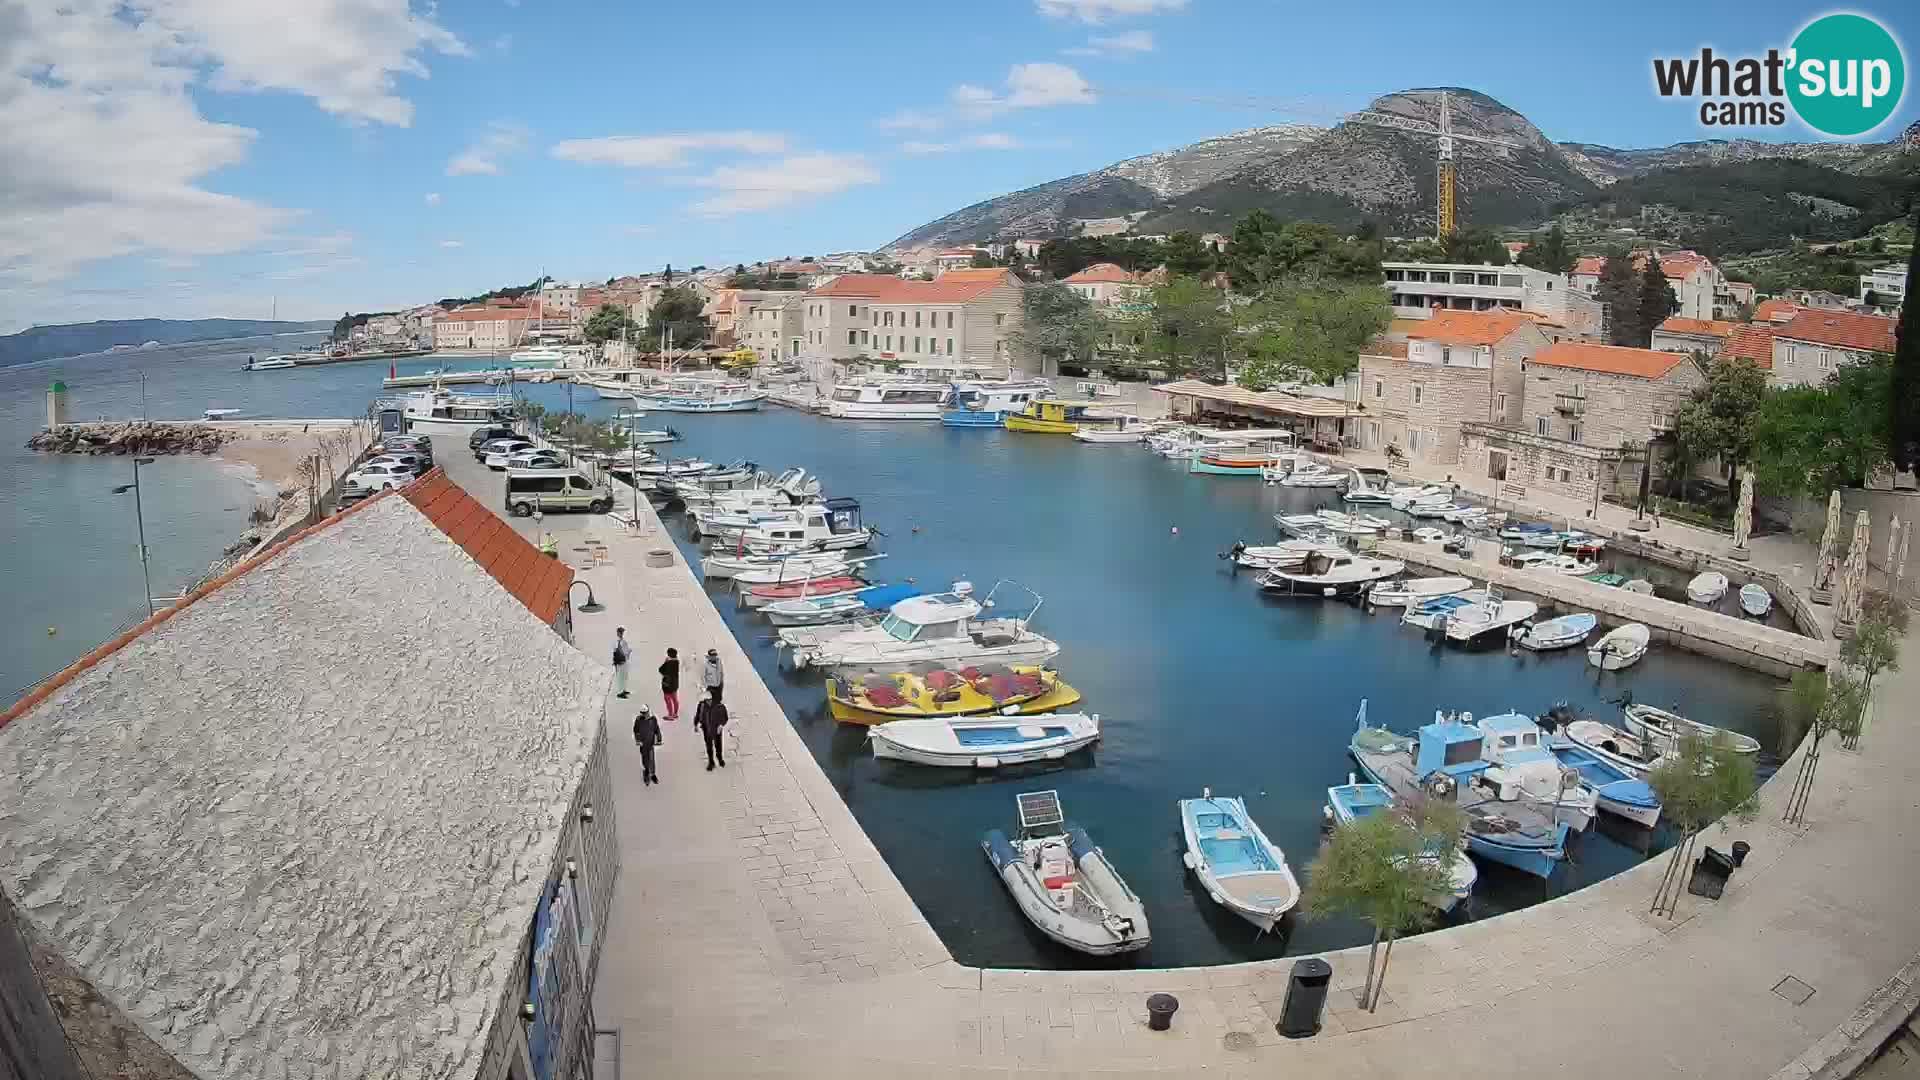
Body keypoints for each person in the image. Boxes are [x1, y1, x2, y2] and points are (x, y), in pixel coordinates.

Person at [693, 687, 728, 770]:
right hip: (706, 729)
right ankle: (711, 761)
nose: (708, 702)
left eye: (709, 700)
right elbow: (698, 715)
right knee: (708, 746)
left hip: (717, 729)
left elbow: (725, 717)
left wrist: (721, 725)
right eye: (706, 700)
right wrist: (696, 724)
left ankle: (720, 758)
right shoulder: (701, 705)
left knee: (718, 745)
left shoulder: (720, 706)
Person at [633, 708, 660, 785]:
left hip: (650, 743)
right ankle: (646, 771)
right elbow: (636, 730)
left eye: (645, 713)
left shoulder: (653, 719)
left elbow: (656, 729)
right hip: (643, 744)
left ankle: (652, 774)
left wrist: (659, 739)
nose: (644, 714)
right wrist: (638, 740)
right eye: (642, 713)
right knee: (645, 758)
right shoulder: (638, 720)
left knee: (651, 758)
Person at [659, 647, 681, 722]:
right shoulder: (677, 662)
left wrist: (665, 662)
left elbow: (661, 670)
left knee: (667, 699)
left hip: (667, 684)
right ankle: (675, 713)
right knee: (674, 698)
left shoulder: (669, 663)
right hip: (675, 683)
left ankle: (670, 715)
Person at [611, 627, 631, 699]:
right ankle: (620, 692)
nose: (621, 633)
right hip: (620, 662)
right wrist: (628, 652)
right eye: (620, 632)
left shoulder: (622, 641)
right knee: (620, 677)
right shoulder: (618, 641)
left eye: (622, 632)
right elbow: (618, 651)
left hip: (623, 661)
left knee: (624, 676)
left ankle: (623, 690)